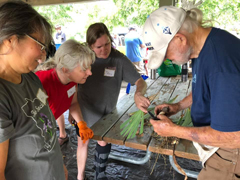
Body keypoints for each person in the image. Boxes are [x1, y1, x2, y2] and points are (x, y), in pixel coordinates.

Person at [142, 6, 240, 180]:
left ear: (180, 39)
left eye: (166, 55)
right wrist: (179, 106)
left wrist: (174, 130)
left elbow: (233, 137)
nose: (167, 60)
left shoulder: (221, 66)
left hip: (230, 152)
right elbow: (206, 88)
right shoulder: (203, 46)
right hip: (220, 143)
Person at [73, 22, 150, 180]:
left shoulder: (119, 60)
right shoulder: (84, 59)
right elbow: (72, 84)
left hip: (106, 111)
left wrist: (138, 93)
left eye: (107, 44)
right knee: (83, 142)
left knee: (103, 142)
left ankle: (99, 174)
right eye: (98, 47)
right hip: (85, 109)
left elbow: (140, 81)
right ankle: (80, 176)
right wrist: (72, 112)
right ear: (90, 46)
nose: (104, 49)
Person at [0, 1, 66, 180]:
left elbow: (46, 115)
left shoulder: (31, 77)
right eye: (40, 44)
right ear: (10, 41)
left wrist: (59, 163)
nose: (43, 55)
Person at [35, 39, 95, 150]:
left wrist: (81, 123)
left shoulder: (72, 79)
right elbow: (36, 117)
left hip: (49, 126)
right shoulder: (42, 82)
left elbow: (73, 103)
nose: (90, 72)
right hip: (36, 134)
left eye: (89, 67)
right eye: (84, 69)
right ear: (65, 69)